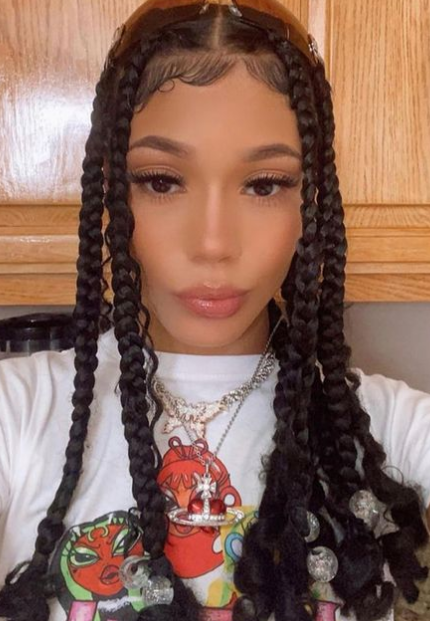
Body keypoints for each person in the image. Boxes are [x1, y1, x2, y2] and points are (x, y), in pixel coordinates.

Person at [0, 0, 429, 620]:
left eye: (264, 185)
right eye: (161, 180)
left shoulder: (386, 428)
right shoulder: (17, 413)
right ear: (111, 192)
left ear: (309, 203)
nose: (213, 244)